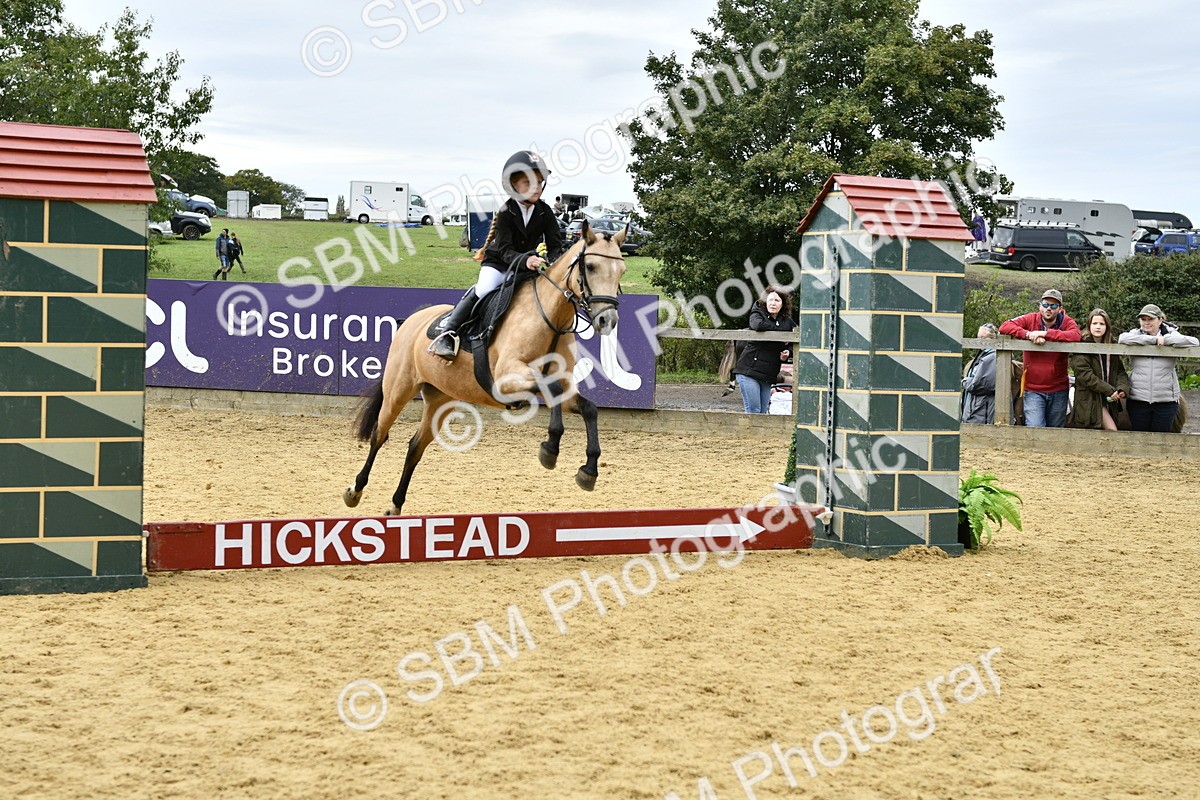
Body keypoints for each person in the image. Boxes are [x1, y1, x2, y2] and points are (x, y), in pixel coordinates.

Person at [429, 150, 565, 360]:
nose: (536, 187)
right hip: (499, 264)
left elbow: (556, 244)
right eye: (529, 183)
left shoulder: (545, 211)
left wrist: (555, 263)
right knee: (484, 289)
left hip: (527, 267)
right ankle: (448, 333)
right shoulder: (505, 212)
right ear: (514, 185)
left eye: (539, 182)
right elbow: (504, 250)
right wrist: (526, 260)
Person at [999, 289, 1081, 428]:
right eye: (1045, 304)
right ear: (1040, 306)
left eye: (1054, 306)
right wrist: (1028, 335)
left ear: (1060, 309)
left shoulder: (1067, 322)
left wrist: (1045, 334)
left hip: (1059, 389)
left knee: (1055, 432)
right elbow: (1004, 326)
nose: (1049, 308)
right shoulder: (1030, 319)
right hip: (1033, 389)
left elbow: (1076, 335)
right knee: (1034, 428)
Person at [1117, 304, 1199, 432]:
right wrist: (1154, 340)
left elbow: (1194, 342)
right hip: (1139, 398)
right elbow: (1122, 338)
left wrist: (1165, 341)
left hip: (1165, 400)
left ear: (1160, 320)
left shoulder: (1172, 334)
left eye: (1150, 319)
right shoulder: (1135, 334)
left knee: (1162, 439)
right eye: (1143, 319)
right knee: (1139, 438)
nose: (1146, 322)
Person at [732, 287, 796, 414]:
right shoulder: (757, 313)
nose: (773, 303)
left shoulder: (787, 321)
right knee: (753, 411)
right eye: (770, 300)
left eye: (777, 300)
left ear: (783, 303)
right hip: (749, 370)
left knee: (763, 412)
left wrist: (788, 351)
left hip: (768, 374)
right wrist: (782, 335)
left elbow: (796, 337)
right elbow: (758, 325)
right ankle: (749, 435)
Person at [1067, 309, 1130, 431]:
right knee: (1112, 431)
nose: (1098, 327)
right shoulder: (1081, 345)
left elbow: (1120, 371)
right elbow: (1086, 376)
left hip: (1110, 400)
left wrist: (1123, 387)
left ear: (1107, 326)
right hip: (1090, 399)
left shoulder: (1112, 346)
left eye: (1102, 324)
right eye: (1094, 323)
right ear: (1089, 325)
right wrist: (1109, 390)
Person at [961, 323, 998, 424]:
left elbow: (981, 385)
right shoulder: (984, 354)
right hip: (977, 410)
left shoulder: (992, 357)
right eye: (978, 337)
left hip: (982, 413)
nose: (979, 340)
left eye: (983, 338)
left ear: (993, 339)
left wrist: (965, 381)